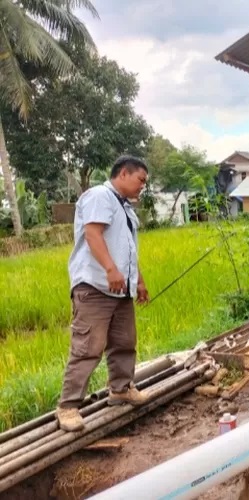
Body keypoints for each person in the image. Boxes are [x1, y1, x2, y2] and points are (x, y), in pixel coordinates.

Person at [56, 155, 150, 432]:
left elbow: (127, 249)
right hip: (96, 286)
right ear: (123, 173)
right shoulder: (100, 196)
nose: (142, 186)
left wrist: (139, 281)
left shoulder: (125, 207)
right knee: (88, 348)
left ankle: (120, 389)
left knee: (124, 342)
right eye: (140, 180)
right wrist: (110, 269)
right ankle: (68, 407)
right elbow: (93, 234)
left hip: (120, 289)